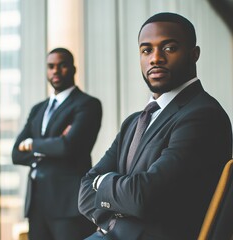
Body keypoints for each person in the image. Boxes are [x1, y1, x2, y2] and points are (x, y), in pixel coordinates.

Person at [78, 12, 232, 240]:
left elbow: (145, 197)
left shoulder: (203, 115)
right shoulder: (133, 121)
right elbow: (83, 193)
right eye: (146, 50)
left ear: (194, 54)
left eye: (169, 48)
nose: (155, 58)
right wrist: (119, 199)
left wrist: (102, 182)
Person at [12, 48, 102, 240]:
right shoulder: (38, 109)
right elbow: (16, 153)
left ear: (73, 69)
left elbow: (67, 147)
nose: (56, 71)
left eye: (62, 65)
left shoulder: (87, 104)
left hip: (68, 206)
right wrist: (50, 145)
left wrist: (33, 144)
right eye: (51, 66)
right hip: (37, 205)